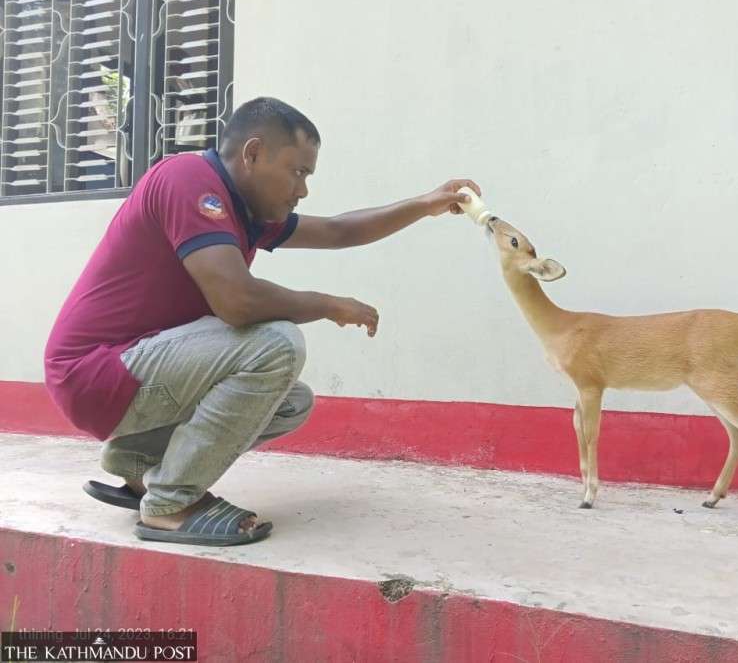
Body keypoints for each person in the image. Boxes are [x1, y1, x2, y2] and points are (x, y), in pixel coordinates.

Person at [44, 96, 480, 546]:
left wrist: (426, 203)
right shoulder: (188, 179)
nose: (303, 189)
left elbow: (338, 230)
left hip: (135, 373)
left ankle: (137, 462)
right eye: (298, 172)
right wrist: (328, 304)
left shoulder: (244, 211)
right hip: (95, 372)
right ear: (252, 154)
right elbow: (237, 301)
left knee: (290, 402)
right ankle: (171, 503)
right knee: (276, 343)